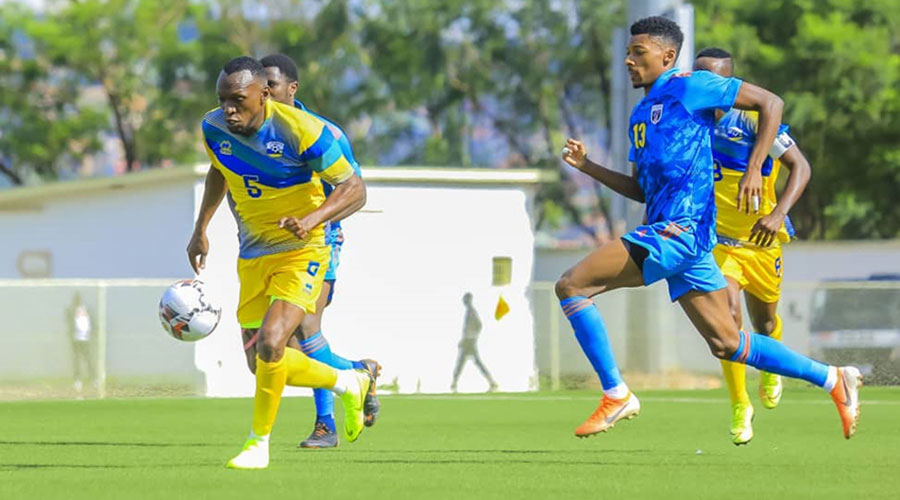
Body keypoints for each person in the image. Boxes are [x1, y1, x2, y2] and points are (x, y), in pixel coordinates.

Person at [557, 16, 860, 441]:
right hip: (687, 241)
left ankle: (616, 393)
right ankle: (834, 378)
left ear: (666, 55)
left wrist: (755, 169)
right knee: (729, 343)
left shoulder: (690, 85)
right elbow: (642, 190)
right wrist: (588, 166)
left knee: (572, 286)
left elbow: (771, 103)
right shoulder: (642, 112)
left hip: (679, 232)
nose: (628, 60)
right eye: (627, 52)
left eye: (637, 52)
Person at [187, 56, 371, 470]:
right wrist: (201, 228)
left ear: (265, 95)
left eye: (238, 100)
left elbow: (355, 190)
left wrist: (310, 220)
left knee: (276, 340)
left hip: (303, 249)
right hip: (253, 252)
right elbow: (220, 168)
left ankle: (259, 444)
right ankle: (349, 380)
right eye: (223, 100)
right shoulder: (213, 127)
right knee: (260, 363)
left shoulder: (306, 132)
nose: (229, 109)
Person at [258, 53, 380, 449]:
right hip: (274, 246)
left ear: (292, 88)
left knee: (304, 331)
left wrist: (319, 223)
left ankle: (326, 424)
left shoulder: (321, 132)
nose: (265, 94)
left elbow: (353, 187)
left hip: (320, 240)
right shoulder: (255, 131)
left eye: (271, 86)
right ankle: (359, 373)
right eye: (261, 88)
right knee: (291, 342)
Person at [694, 47, 812, 445]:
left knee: (763, 323)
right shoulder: (690, 121)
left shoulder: (756, 118)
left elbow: (801, 167)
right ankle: (739, 403)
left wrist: (778, 214)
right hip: (718, 242)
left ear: (731, 82)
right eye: (700, 77)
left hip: (761, 240)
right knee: (727, 320)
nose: (707, 86)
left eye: (716, 79)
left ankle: (771, 365)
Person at [451, 292, 498, 392]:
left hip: (469, 342)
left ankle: (454, 384)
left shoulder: (471, 312)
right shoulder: (470, 311)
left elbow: (477, 326)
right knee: (473, 363)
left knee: (462, 363)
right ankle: (492, 382)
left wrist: (469, 338)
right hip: (469, 341)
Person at [67, 293, 94, 396]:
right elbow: (69, 321)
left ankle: (93, 379)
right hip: (76, 339)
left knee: (88, 359)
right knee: (77, 360)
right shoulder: (72, 309)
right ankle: (77, 380)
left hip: (85, 338)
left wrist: (91, 332)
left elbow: (90, 321)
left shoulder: (86, 309)